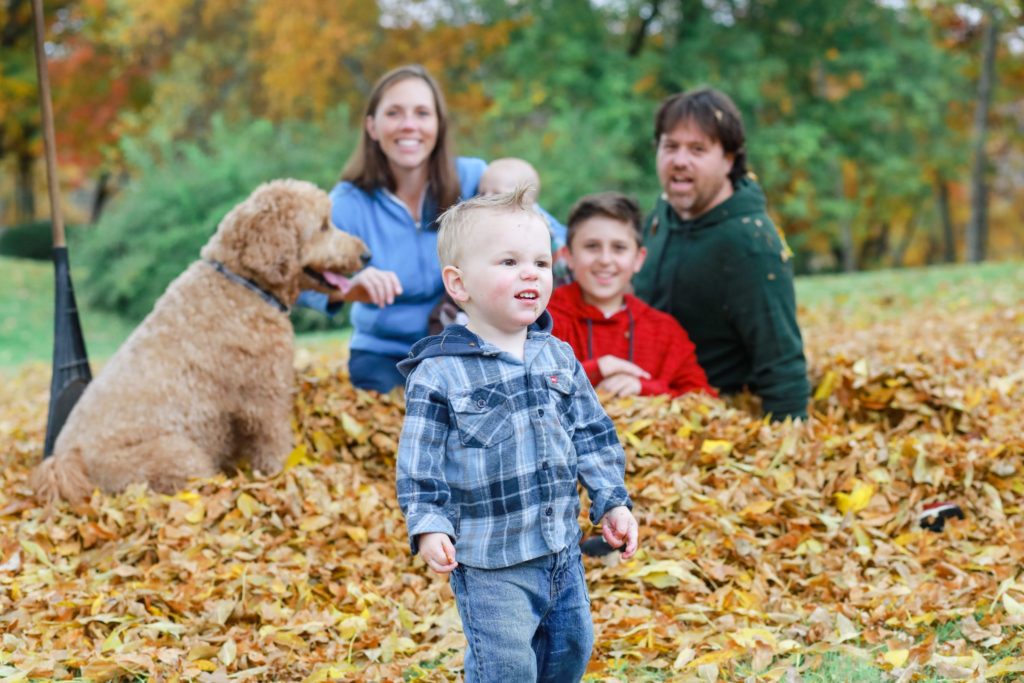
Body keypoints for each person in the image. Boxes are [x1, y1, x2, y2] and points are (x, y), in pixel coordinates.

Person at [396, 188, 640, 682]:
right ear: (458, 284)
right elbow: (419, 465)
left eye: (541, 262)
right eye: (509, 261)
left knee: (570, 650)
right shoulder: (439, 374)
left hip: (561, 550)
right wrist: (429, 525)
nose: (530, 273)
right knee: (506, 666)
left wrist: (612, 501)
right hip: (490, 563)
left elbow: (592, 435)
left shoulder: (558, 357)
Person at [296, 64, 487, 392]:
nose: (409, 125)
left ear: (439, 125)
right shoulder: (348, 203)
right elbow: (296, 279)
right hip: (383, 356)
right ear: (372, 126)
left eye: (422, 113)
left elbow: (546, 234)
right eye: (394, 113)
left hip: (464, 345)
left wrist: (513, 180)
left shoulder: (473, 179)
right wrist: (348, 286)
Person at [632, 87, 810, 421]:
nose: (680, 160)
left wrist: (790, 447)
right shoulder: (661, 215)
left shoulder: (751, 243)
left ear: (728, 159)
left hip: (712, 418)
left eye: (697, 149)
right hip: (645, 403)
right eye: (670, 146)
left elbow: (781, 358)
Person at [548, 191, 714, 398]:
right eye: (592, 246)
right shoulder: (544, 321)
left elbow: (702, 400)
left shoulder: (665, 332)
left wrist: (644, 389)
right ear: (568, 256)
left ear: (638, 259)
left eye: (619, 248)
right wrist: (595, 370)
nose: (605, 260)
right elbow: (525, 384)